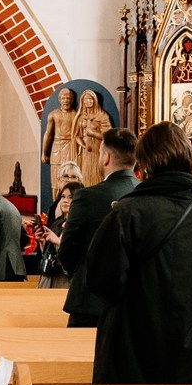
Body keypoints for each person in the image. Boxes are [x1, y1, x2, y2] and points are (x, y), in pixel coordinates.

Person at [84, 121, 192, 385]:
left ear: (145, 163)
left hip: (129, 350)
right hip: (189, 349)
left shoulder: (127, 213)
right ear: (188, 157)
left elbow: (99, 280)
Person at [59, 128, 138, 328]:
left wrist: (79, 273)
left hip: (90, 300)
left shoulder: (88, 196)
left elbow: (67, 250)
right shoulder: (147, 193)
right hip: (134, 303)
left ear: (106, 158)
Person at [32, 184, 77, 286]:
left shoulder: (80, 225)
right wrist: (43, 242)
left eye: (70, 197)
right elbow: (50, 253)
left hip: (67, 277)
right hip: (52, 274)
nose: (65, 200)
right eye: (63, 197)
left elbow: (77, 254)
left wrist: (57, 240)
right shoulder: (57, 222)